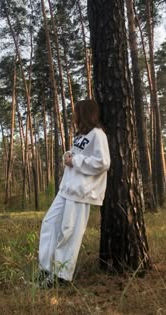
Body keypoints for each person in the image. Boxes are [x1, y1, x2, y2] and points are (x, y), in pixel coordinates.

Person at [38, 99, 111, 288]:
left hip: (81, 192)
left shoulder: (98, 134)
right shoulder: (81, 136)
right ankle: (45, 268)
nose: (74, 116)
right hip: (66, 189)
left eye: (76, 112)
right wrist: (68, 155)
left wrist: (76, 160)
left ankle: (61, 276)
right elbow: (75, 153)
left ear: (85, 113)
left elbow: (103, 162)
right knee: (49, 224)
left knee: (69, 232)